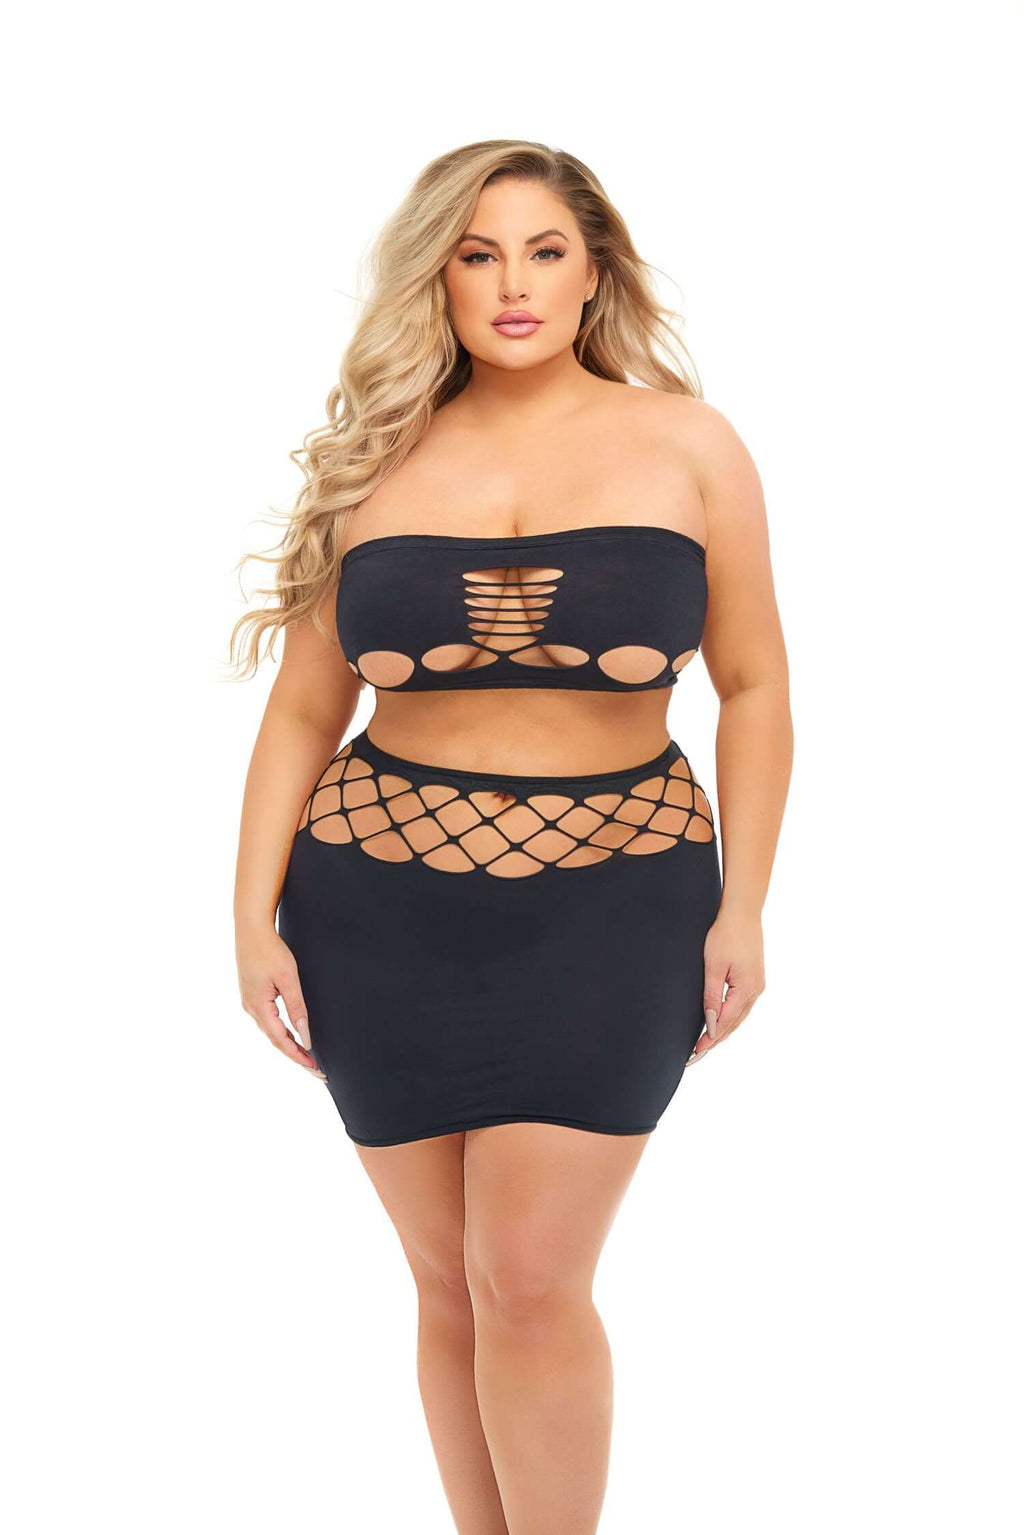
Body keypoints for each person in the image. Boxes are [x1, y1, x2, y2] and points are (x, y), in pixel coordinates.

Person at [230, 139, 792, 1534]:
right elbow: (303, 710)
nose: (512, 284)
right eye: (477, 256)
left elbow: (755, 686)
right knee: (448, 1283)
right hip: (375, 906)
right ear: (439, 278)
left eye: (545, 251)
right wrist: (250, 919)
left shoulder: (691, 446)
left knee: (531, 1278)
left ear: (596, 272)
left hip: (618, 903)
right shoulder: (379, 455)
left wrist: (747, 904)